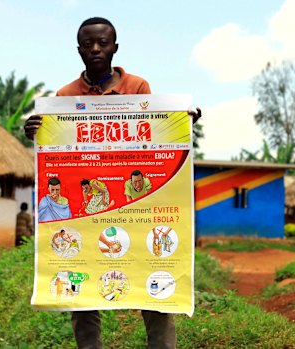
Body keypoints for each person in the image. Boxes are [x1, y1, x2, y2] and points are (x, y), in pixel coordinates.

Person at [25, 17, 201, 349]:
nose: (95, 49)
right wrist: (36, 131)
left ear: (114, 48)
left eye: (102, 43)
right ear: (78, 50)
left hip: (134, 209)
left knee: (155, 285)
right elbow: (56, 148)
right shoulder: (65, 96)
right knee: (82, 291)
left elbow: (153, 137)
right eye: (88, 44)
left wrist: (181, 121)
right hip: (86, 217)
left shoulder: (137, 88)